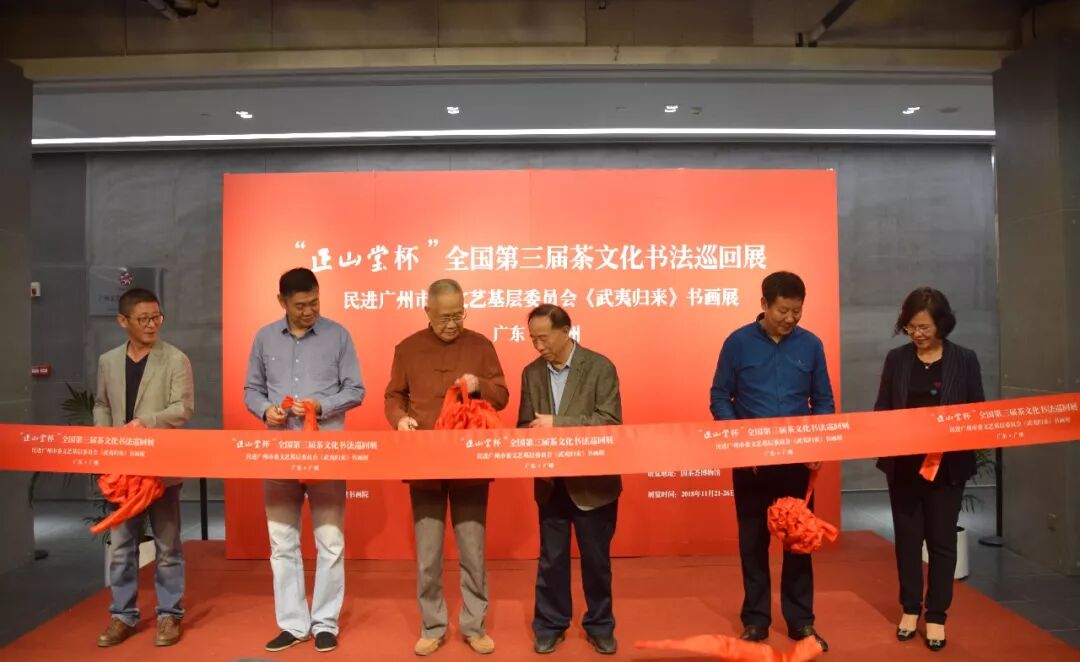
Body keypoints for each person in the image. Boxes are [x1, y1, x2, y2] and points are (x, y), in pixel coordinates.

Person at [709, 271, 834, 651]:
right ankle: (755, 620)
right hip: (752, 465)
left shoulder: (811, 345)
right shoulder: (737, 343)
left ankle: (801, 622)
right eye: (783, 311)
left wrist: (817, 443)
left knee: (799, 542)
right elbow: (720, 396)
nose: (790, 319)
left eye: (797, 311)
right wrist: (739, 442)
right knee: (752, 542)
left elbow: (823, 401)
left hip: (797, 466)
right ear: (764, 304)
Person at [384, 278, 509, 656]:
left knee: (473, 550)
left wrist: (479, 384)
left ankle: (474, 625)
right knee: (429, 553)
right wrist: (400, 419)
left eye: (459, 315)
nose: (453, 324)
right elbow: (394, 396)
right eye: (444, 317)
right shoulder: (407, 348)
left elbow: (502, 396)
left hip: (469, 462)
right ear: (427, 311)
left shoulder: (481, 346)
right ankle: (433, 625)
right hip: (425, 463)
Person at [244, 267, 365, 653]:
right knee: (282, 542)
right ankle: (293, 624)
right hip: (280, 452)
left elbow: (356, 390)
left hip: (326, 453)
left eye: (314, 302)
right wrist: (266, 411)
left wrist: (321, 406)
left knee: (330, 541)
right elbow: (251, 389)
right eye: (300, 305)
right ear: (281, 302)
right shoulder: (264, 337)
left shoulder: (338, 335)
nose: (309, 310)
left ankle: (325, 622)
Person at [874, 287, 984, 652]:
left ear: (942, 324)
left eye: (924, 327)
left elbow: (976, 412)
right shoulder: (897, 359)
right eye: (911, 327)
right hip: (904, 467)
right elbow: (882, 409)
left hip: (947, 468)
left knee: (941, 542)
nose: (917, 334)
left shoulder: (964, 360)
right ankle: (910, 609)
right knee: (907, 542)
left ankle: (936, 615)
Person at [518, 304, 622, 656]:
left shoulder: (600, 367)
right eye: (533, 339)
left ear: (566, 332)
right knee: (551, 560)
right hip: (551, 484)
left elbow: (610, 422)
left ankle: (600, 625)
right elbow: (524, 424)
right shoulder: (531, 373)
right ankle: (550, 625)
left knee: (597, 562)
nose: (538, 346)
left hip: (594, 486)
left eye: (544, 338)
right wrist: (530, 433)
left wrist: (558, 425)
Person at [93, 288, 194, 648]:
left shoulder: (175, 359)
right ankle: (122, 615)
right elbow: (102, 404)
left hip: (161, 468)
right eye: (144, 319)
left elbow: (182, 408)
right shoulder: (108, 361)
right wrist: (106, 438)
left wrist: (145, 423)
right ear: (123, 321)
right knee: (122, 546)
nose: (152, 324)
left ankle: (170, 614)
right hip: (122, 469)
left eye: (157, 317)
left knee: (168, 545)